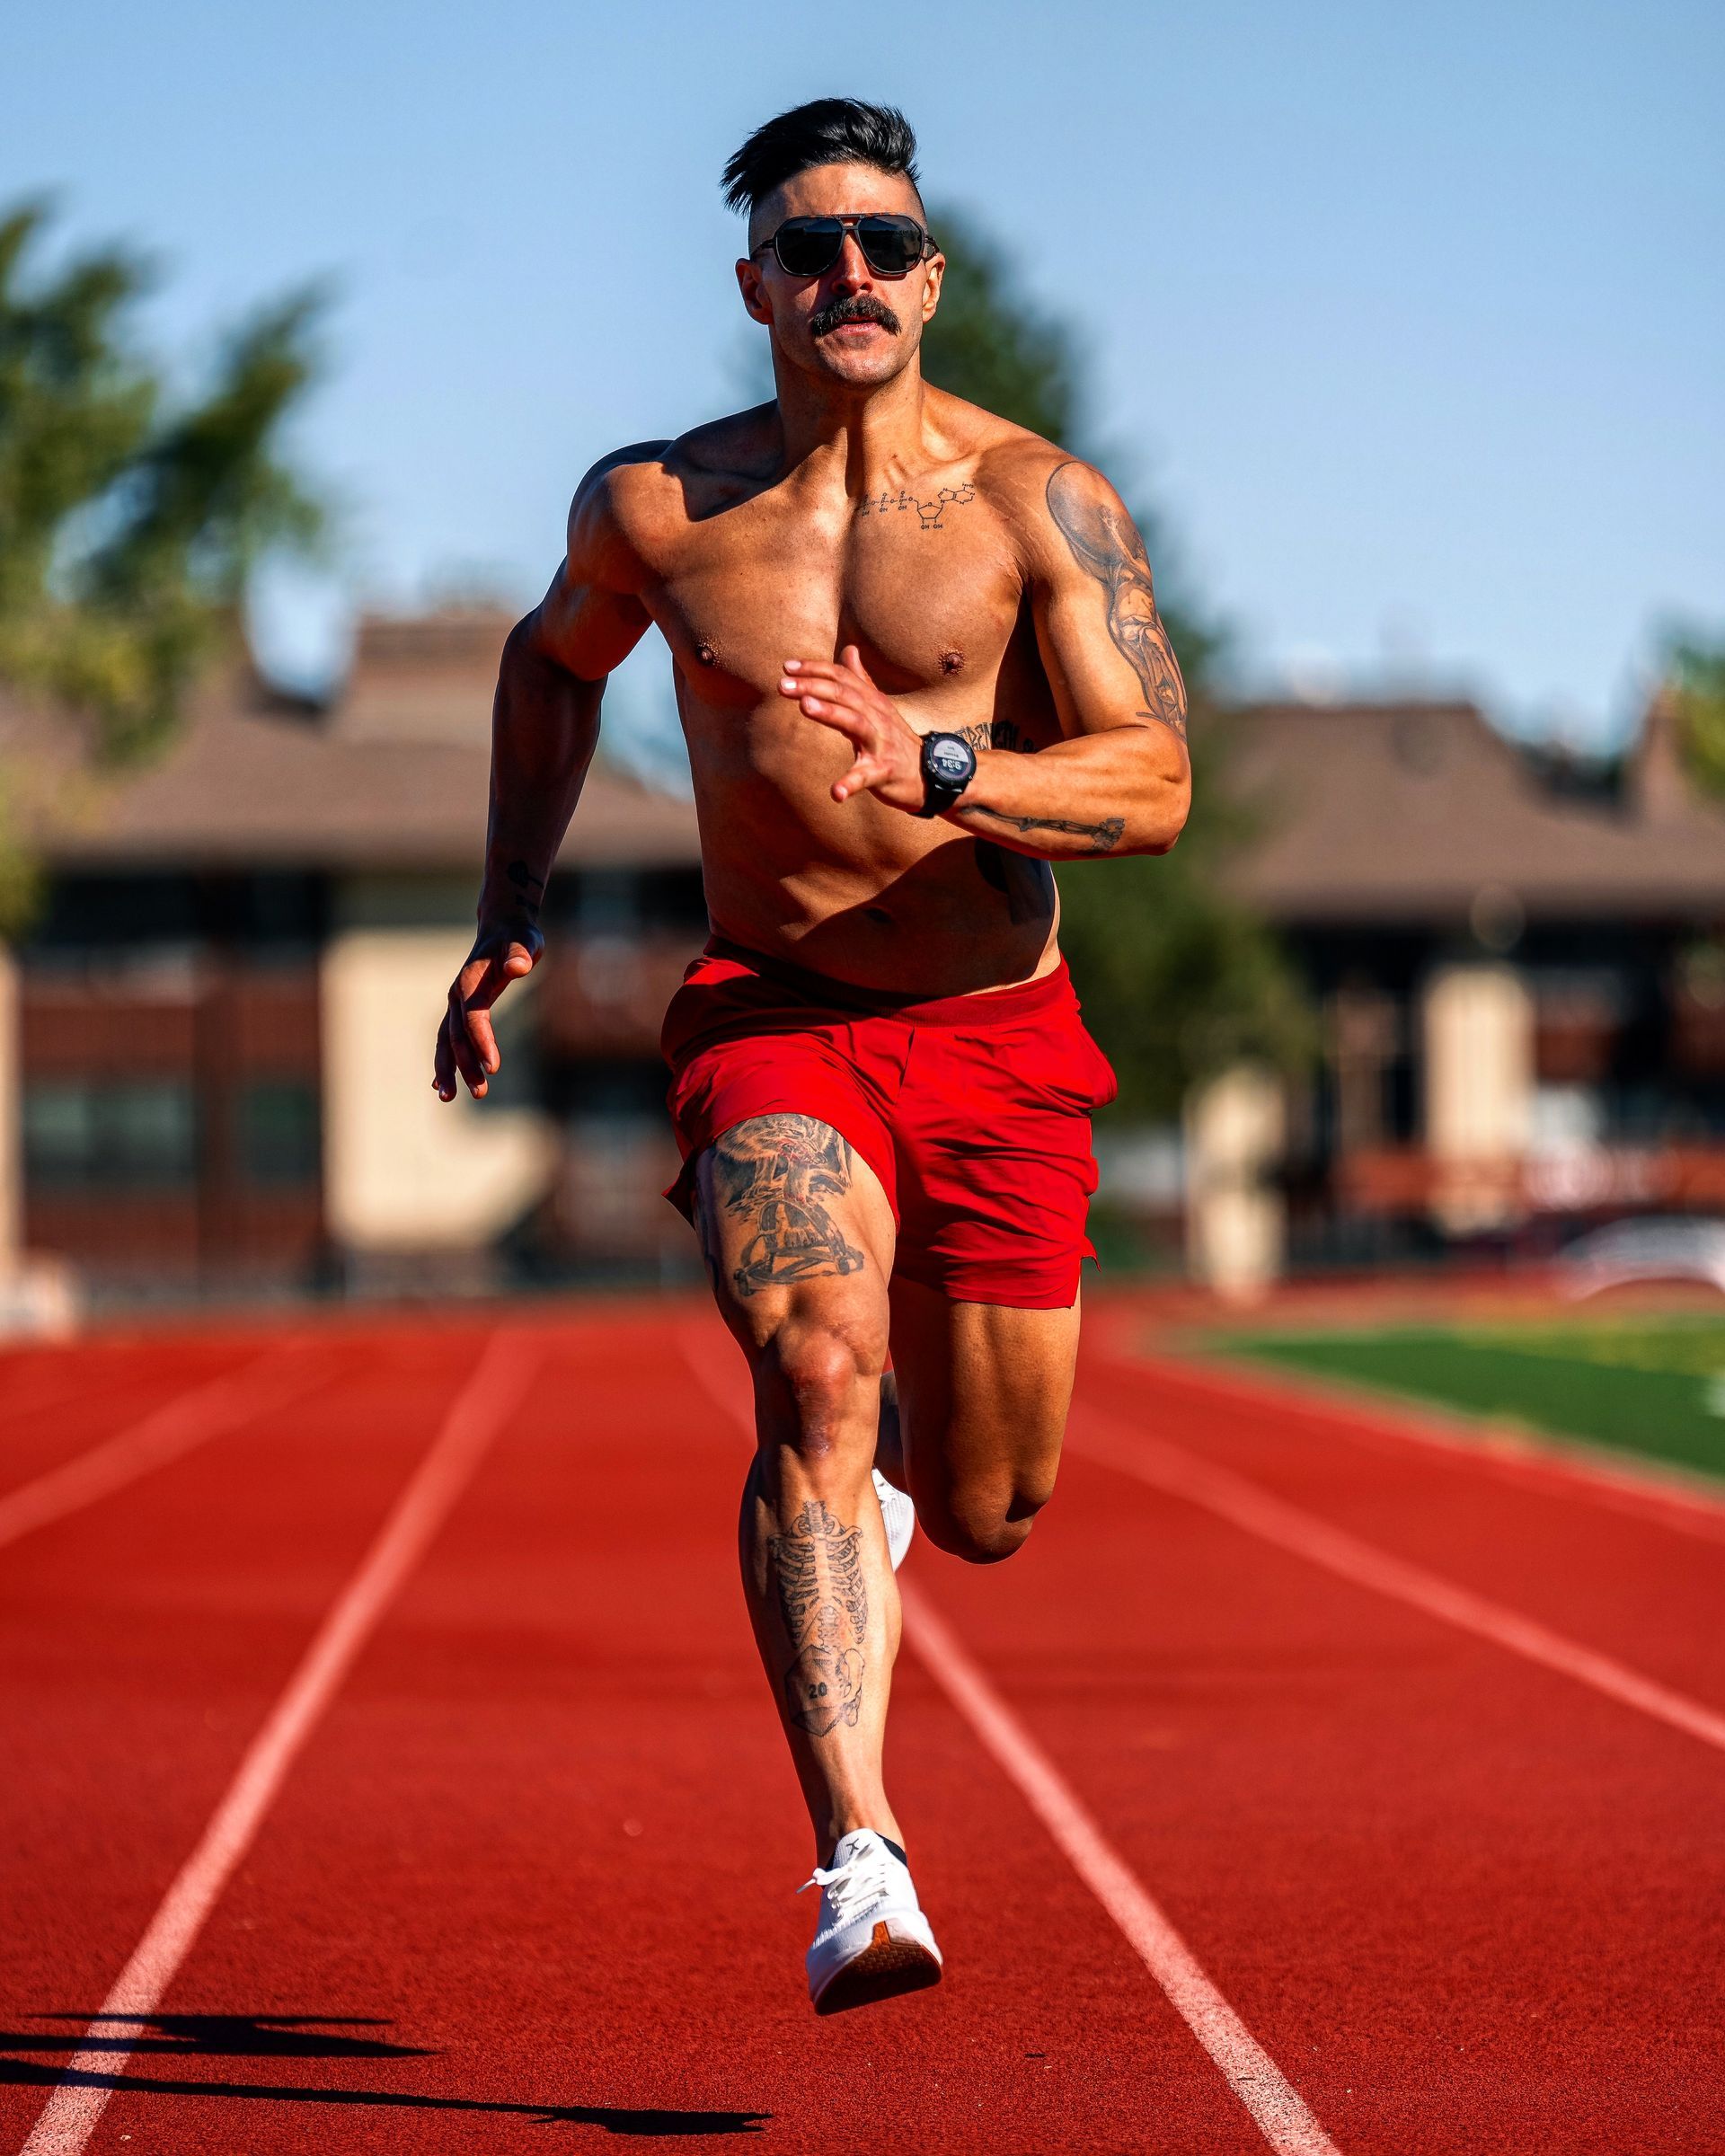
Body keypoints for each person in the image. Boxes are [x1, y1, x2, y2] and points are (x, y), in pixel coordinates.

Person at [434, 97, 1190, 2013]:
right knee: (813, 1369)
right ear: (754, 282)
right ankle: (862, 1855)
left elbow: (1158, 781)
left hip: (997, 1037)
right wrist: (510, 904)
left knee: (997, 1513)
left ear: (929, 278)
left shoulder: (1043, 502)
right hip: (776, 1023)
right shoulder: (659, 511)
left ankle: (901, 1498)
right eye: (807, 244)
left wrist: (940, 762)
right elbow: (549, 666)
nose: (844, 272)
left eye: (880, 242)